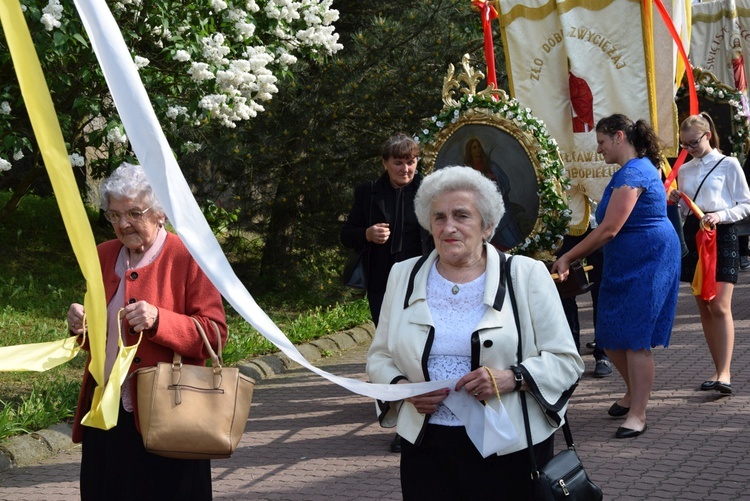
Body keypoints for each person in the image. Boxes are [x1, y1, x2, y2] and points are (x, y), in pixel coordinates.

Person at [367, 166, 584, 499]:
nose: (448, 227)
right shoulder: (404, 275)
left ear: (487, 226)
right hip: (427, 445)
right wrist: (403, 388)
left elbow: (566, 361)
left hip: (510, 444)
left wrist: (513, 378)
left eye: (461, 216)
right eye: (438, 217)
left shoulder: (525, 275)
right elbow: (380, 357)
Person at [67, 163, 226, 500]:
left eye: (134, 213)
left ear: (160, 214)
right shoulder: (103, 255)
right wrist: (80, 326)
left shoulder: (187, 256)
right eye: (114, 215)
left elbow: (214, 334)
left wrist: (160, 320)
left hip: (169, 411)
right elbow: (100, 336)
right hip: (106, 414)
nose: (123, 224)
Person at [552, 114, 680, 439]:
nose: (598, 150)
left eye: (601, 142)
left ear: (619, 137)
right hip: (625, 261)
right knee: (609, 335)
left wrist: (568, 255)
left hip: (648, 259)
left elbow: (609, 229)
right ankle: (632, 392)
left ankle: (638, 412)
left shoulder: (635, 172)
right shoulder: (628, 171)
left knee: (636, 340)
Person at [341, 133, 429, 452]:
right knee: (391, 348)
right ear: (384, 163)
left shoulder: (430, 190)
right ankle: (396, 414)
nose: (406, 168)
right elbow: (346, 234)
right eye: (399, 162)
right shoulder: (368, 192)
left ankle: (418, 418)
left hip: (425, 282)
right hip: (384, 284)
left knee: (420, 348)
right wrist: (366, 232)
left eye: (412, 161)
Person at [668, 113, 750, 395]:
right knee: (703, 305)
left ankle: (725, 372)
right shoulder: (686, 170)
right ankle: (716, 369)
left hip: (721, 234)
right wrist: (677, 201)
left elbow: (746, 204)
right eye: (684, 145)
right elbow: (682, 212)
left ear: (707, 136)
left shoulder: (729, 164)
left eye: (693, 143)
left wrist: (721, 215)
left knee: (720, 306)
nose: (689, 149)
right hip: (695, 233)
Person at [463, 137, 525, 249]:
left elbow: (505, 183)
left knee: (509, 235)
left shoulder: (491, 165)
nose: (477, 150)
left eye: (479, 147)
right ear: (470, 151)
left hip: (499, 204)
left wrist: (491, 178)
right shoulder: (466, 169)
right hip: (478, 208)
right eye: (474, 148)